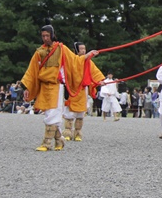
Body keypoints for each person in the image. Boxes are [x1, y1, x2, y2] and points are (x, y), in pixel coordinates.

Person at [21, 22, 99, 151]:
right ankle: (59, 140)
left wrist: (88, 55)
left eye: (47, 35)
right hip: (44, 86)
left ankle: (47, 143)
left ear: (52, 35)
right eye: (43, 36)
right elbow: (32, 72)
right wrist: (27, 88)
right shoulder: (39, 52)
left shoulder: (61, 49)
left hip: (56, 86)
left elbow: (75, 60)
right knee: (48, 113)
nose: (45, 38)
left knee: (52, 113)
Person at [62, 41, 104, 142]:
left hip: (82, 90)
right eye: (81, 49)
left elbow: (94, 73)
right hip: (72, 89)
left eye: (84, 49)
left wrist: (99, 81)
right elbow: (75, 63)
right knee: (69, 114)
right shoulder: (72, 60)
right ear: (76, 50)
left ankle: (78, 133)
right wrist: (88, 55)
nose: (83, 51)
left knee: (80, 114)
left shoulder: (88, 62)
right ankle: (67, 132)